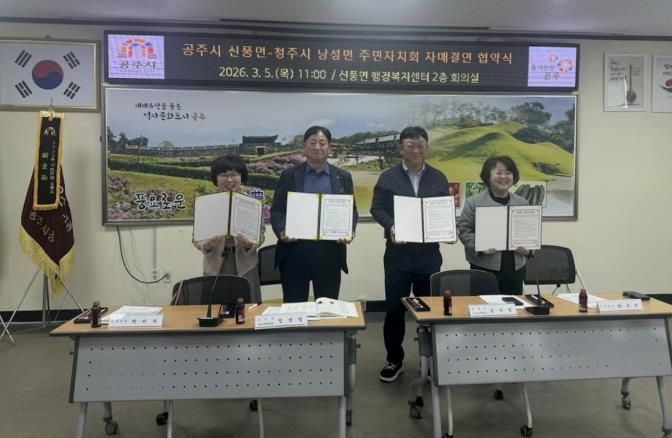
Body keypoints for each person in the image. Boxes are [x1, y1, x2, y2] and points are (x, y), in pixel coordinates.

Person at [370, 126, 450, 383]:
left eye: (420, 145)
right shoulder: (388, 177)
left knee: (430, 310)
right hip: (398, 255)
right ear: (401, 148)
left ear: (427, 147)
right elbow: (376, 208)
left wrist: (448, 230)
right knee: (395, 310)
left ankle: (430, 360)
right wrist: (391, 226)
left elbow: (444, 211)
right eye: (410, 146)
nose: (416, 150)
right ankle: (394, 359)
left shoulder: (438, 177)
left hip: (429, 256)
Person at [270, 126, 358, 303]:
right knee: (295, 307)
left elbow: (351, 211)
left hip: (330, 253)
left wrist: (350, 231)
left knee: (327, 308)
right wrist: (281, 231)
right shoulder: (289, 175)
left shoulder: (343, 176)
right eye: (312, 143)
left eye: (322, 143)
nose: (317, 147)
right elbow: (277, 210)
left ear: (329, 147)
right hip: (295, 252)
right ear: (304, 146)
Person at [193, 155, 265, 303]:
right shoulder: (206, 204)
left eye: (234, 175)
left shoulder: (252, 204)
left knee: (247, 312)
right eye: (224, 175)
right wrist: (207, 245)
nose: (229, 180)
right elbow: (196, 236)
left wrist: (249, 244)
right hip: (214, 267)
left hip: (246, 266)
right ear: (216, 178)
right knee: (215, 311)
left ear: (242, 177)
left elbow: (261, 233)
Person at [457, 155, 529, 293]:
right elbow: (464, 230)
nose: (503, 177)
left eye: (508, 173)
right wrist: (480, 244)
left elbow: (530, 231)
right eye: (499, 172)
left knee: (513, 305)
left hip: (516, 269)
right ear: (488, 176)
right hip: (484, 268)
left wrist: (529, 249)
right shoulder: (474, 202)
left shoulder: (522, 202)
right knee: (484, 305)